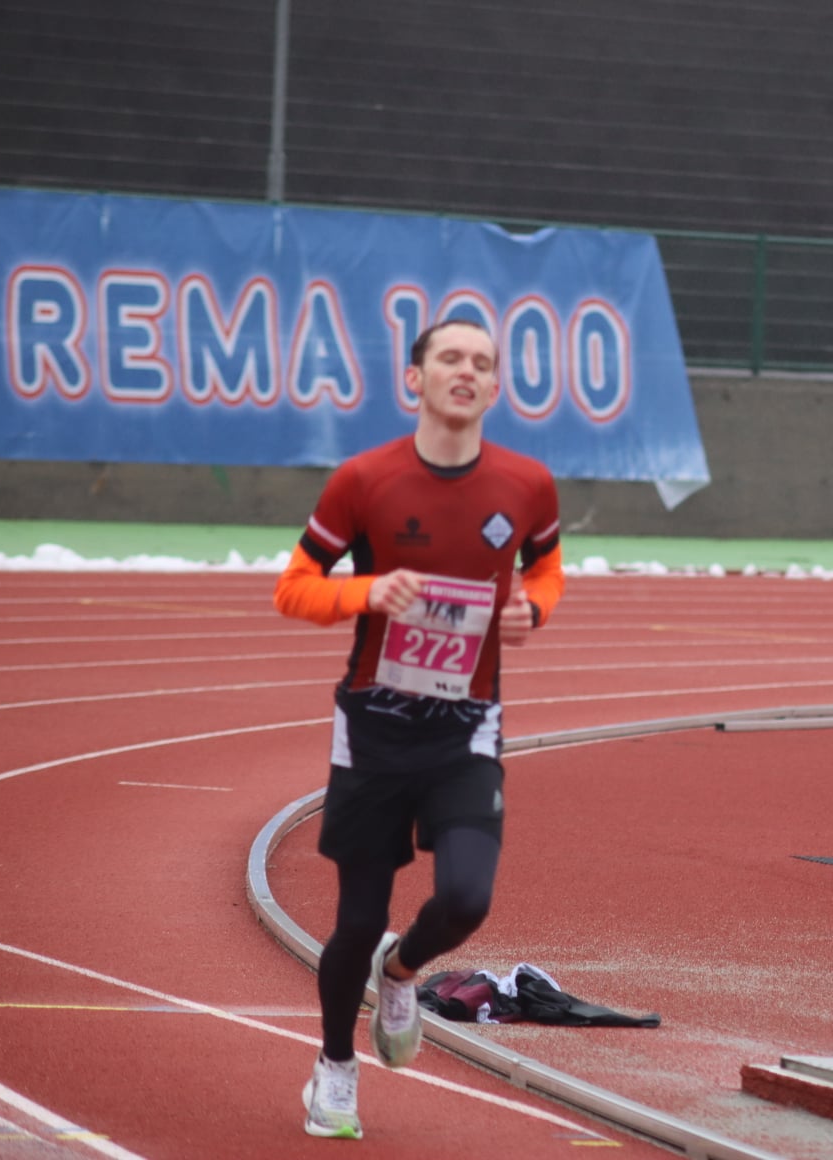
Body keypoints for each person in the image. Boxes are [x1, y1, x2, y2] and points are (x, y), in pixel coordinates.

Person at [273, 318, 565, 1140]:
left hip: (466, 728)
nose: (466, 371)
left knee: (466, 897)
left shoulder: (527, 484)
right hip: (373, 728)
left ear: (495, 386)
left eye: (482, 362)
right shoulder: (365, 481)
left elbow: (545, 567)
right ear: (416, 378)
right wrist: (363, 593)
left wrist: (534, 610)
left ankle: (400, 971)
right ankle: (335, 1068)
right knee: (356, 920)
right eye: (450, 358)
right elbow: (293, 586)